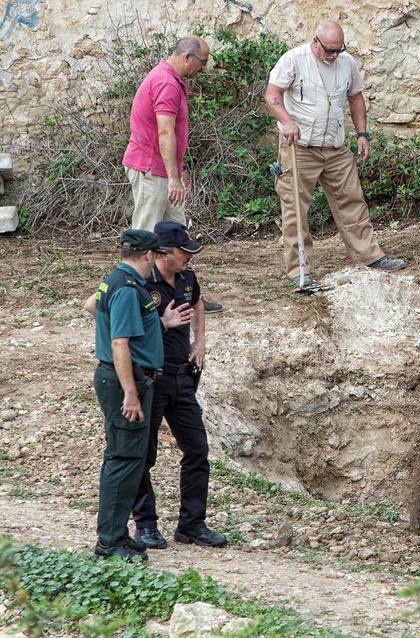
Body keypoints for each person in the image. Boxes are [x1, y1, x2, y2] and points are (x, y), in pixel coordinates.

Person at [263, 20, 406, 289]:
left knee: (352, 199)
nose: (333, 55)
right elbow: (272, 94)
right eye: (329, 50)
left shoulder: (347, 63)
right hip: (299, 147)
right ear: (315, 41)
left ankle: (370, 256)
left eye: (338, 50)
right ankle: (299, 270)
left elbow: (356, 97)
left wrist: (362, 134)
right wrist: (287, 121)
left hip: (335, 146)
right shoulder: (293, 59)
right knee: (295, 209)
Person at [89, 230, 191, 561]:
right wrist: (130, 393)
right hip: (126, 381)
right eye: (156, 255)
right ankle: (110, 542)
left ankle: (117, 535)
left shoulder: (117, 280)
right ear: (148, 255)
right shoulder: (127, 289)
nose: (156, 260)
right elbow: (120, 343)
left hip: (130, 378)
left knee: (128, 458)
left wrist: (160, 323)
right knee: (123, 460)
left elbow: (102, 313)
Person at [129, 221, 227, 550]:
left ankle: (191, 524)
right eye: (183, 251)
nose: (189, 256)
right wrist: (161, 322)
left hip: (182, 377)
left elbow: (197, 303)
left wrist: (200, 341)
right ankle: (145, 525)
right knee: (144, 455)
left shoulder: (187, 277)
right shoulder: (140, 282)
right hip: (152, 379)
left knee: (197, 450)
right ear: (162, 253)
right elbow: (109, 316)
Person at [121, 35, 224, 314]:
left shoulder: (172, 79)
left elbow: (173, 134)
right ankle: (132, 299)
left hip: (162, 170)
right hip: (151, 170)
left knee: (178, 235)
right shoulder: (166, 82)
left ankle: (186, 296)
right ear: (187, 57)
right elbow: (165, 132)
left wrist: (178, 171)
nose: (203, 68)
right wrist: (173, 177)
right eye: (203, 62)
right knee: (144, 236)